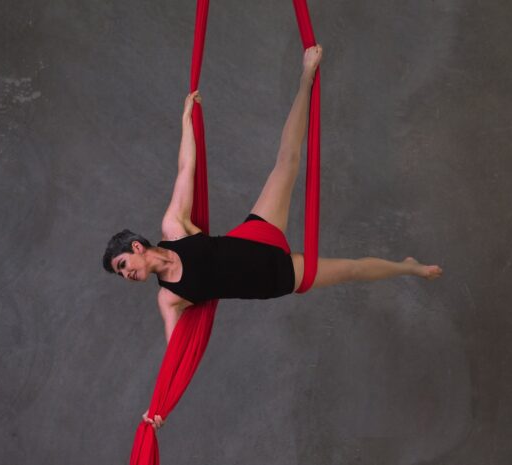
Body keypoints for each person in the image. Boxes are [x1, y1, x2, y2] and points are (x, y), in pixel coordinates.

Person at [102, 45, 443, 432]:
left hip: (256, 235)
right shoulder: (169, 298)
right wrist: (161, 407)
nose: (126, 275)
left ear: (135, 248)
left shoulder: (174, 227)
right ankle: (408, 267)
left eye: (122, 266)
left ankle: (306, 77)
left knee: (287, 160)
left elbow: (186, 168)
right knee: (349, 269)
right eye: (121, 274)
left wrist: (186, 119)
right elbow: (176, 359)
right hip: (273, 277)